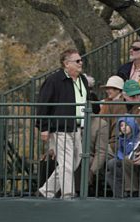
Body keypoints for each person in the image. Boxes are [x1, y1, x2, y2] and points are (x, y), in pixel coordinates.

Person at [35, 48, 89, 199]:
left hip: (78, 127)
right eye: (77, 61)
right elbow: (43, 104)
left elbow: (86, 100)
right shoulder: (54, 80)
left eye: (81, 60)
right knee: (66, 162)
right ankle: (68, 195)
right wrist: (43, 128)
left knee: (75, 161)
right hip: (61, 127)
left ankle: (46, 191)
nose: (81, 63)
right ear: (66, 64)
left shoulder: (82, 80)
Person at [105, 114, 140, 197]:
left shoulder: (138, 136)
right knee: (109, 173)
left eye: (127, 125)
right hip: (123, 162)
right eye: (121, 125)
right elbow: (120, 152)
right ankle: (121, 196)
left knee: (112, 164)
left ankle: (128, 192)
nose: (124, 127)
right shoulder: (121, 138)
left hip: (135, 164)